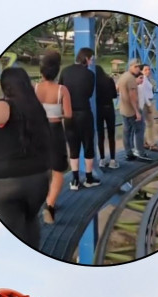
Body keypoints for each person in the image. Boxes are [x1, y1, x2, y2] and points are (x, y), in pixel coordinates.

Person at [0, 67, 50, 248]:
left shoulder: (4, 107)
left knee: (12, 239)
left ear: (5, 86)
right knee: (30, 225)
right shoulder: (37, 109)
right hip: (39, 181)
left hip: (9, 183)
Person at [35, 50, 72, 224]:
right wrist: (57, 114)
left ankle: (39, 200)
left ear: (42, 71)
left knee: (42, 168)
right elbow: (69, 114)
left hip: (38, 130)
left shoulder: (35, 88)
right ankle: (50, 205)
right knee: (58, 171)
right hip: (55, 129)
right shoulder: (61, 90)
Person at [59, 47, 100, 190]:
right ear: (86, 58)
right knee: (88, 145)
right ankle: (89, 178)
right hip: (84, 113)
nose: (91, 62)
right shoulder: (90, 74)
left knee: (73, 146)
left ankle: (75, 180)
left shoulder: (65, 71)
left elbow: (60, 91)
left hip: (68, 115)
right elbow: (89, 94)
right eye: (91, 59)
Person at [117, 59, 151, 162]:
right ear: (130, 66)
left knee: (127, 131)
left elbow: (117, 88)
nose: (138, 69)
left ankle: (128, 153)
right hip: (131, 110)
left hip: (123, 109)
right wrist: (137, 111)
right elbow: (133, 96)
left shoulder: (123, 76)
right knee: (139, 129)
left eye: (138, 66)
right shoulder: (131, 79)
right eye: (135, 67)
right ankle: (140, 152)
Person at [95, 64, 119, 169]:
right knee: (111, 134)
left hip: (98, 109)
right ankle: (113, 160)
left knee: (100, 135)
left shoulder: (93, 82)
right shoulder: (109, 80)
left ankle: (102, 159)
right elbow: (114, 95)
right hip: (109, 108)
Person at [140, 64, 158, 151]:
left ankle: (145, 142)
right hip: (146, 103)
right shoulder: (144, 81)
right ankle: (152, 144)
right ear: (141, 71)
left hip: (146, 103)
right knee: (150, 124)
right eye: (145, 70)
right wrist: (149, 105)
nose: (148, 71)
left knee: (146, 124)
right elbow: (144, 94)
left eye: (149, 69)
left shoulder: (145, 80)